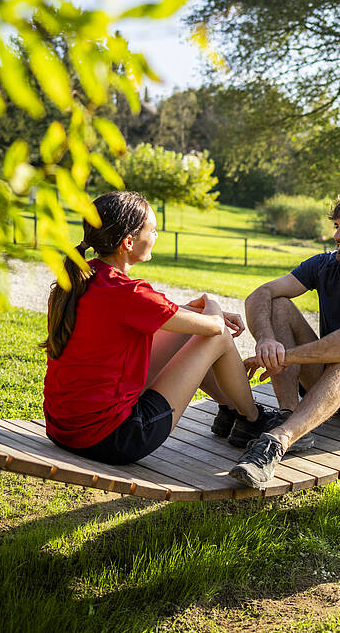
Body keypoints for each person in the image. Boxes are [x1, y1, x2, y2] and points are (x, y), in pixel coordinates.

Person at [42, 190, 268, 466]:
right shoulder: (129, 293)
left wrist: (193, 310)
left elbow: (160, 313)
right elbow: (214, 326)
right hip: (116, 438)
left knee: (189, 328)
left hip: (64, 430)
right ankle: (252, 419)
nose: (157, 236)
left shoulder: (79, 280)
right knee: (217, 337)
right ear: (128, 242)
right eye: (153, 230)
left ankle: (230, 410)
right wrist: (212, 303)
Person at [227, 192, 340, 487]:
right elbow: (260, 294)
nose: (338, 235)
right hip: (328, 375)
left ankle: (279, 440)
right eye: (337, 226)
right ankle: (289, 412)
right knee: (280, 304)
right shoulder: (326, 265)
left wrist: (286, 357)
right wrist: (265, 341)